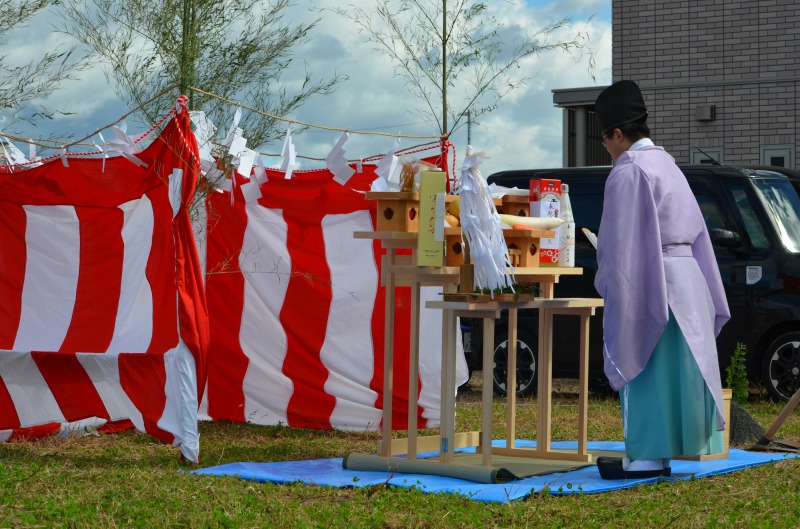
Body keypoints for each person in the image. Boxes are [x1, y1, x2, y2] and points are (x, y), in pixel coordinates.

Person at [592, 80, 731, 479]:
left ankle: (646, 457)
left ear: (618, 134)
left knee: (645, 365)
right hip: (688, 277)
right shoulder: (668, 164)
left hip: (652, 278)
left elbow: (622, 246)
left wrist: (611, 278)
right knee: (677, 371)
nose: (606, 148)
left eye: (605, 139)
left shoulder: (629, 171)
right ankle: (667, 453)